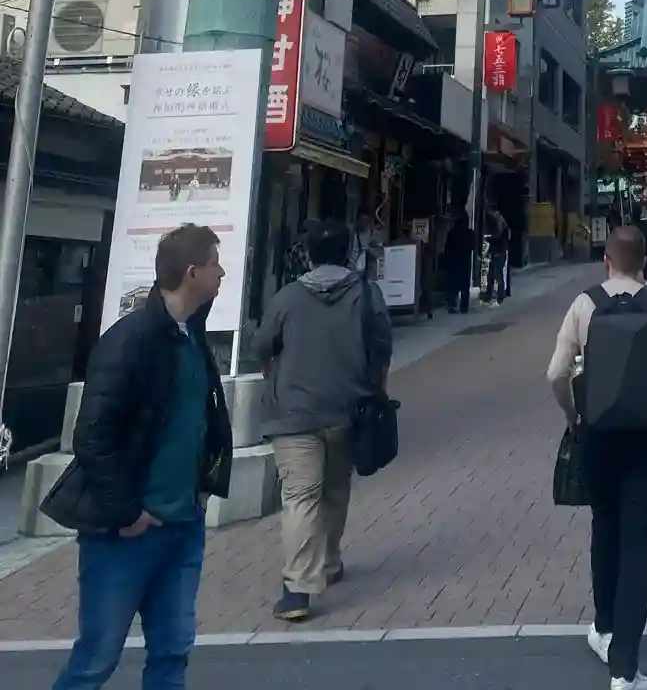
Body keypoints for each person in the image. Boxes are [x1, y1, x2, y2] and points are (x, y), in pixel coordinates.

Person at [43, 224, 232, 690]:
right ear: (192, 273)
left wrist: (204, 485)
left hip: (183, 523)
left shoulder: (192, 335)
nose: (223, 272)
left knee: (171, 652)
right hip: (127, 532)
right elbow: (92, 435)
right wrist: (127, 512)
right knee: (97, 659)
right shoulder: (132, 340)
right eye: (215, 264)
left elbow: (200, 419)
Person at [548, 225, 647, 690]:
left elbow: (555, 373)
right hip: (646, 438)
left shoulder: (584, 304)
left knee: (604, 525)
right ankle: (625, 669)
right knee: (636, 545)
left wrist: (574, 415)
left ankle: (604, 627)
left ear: (607, 260)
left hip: (597, 436)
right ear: (645, 261)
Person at [254, 217, 393, 622]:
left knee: (300, 496)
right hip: (348, 409)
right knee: (334, 488)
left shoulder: (287, 297)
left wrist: (273, 373)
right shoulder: (366, 294)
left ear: (309, 254)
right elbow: (382, 349)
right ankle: (329, 561)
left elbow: (262, 345)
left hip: (294, 413)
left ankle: (298, 589)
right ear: (349, 251)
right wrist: (377, 392)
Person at [441, 209, 477, 314]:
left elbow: (447, 247)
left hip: (453, 260)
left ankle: (452, 305)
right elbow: (473, 246)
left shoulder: (451, 233)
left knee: (453, 284)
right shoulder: (469, 233)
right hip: (465, 261)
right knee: (465, 285)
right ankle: (464, 307)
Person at [482, 205, 510, 303]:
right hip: (498, 252)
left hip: (499, 252)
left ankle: (499, 295)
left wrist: (488, 238)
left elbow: (497, 236)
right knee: (493, 275)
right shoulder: (500, 221)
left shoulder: (499, 220)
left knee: (497, 275)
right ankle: (493, 294)